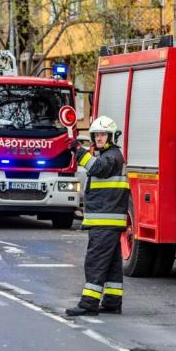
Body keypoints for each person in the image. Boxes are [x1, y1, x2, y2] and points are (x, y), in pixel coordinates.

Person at [66, 116, 130, 317]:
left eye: (103, 134)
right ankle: (112, 301)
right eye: (96, 135)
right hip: (107, 221)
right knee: (111, 264)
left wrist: (79, 151)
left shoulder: (112, 156)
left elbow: (97, 168)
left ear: (111, 137)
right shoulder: (108, 155)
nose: (99, 138)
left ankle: (88, 303)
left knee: (95, 262)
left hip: (105, 221)